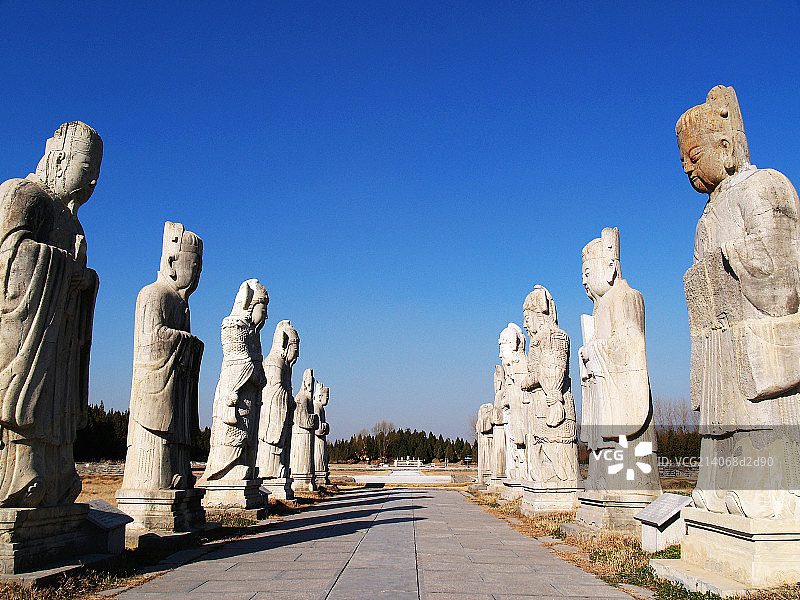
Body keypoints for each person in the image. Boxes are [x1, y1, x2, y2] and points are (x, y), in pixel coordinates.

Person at [678, 86, 800, 518]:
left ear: (725, 147)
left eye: (694, 156)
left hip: (754, 337)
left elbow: (782, 273)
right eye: (683, 161)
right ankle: (717, 486)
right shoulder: (706, 218)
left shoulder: (765, 186)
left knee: (756, 416)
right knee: (719, 418)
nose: (688, 168)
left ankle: (768, 491)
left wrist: (728, 259)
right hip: (718, 341)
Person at [0, 122, 102, 507]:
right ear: (59, 159)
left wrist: (85, 281)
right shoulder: (22, 195)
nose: (92, 180)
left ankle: (58, 473)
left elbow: (78, 277)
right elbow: (9, 259)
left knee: (56, 408)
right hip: (29, 334)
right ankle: (19, 472)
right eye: (86, 167)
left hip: (59, 334)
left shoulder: (73, 222)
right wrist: (62, 267)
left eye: (97, 172)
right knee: (29, 405)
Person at [121, 222, 204, 491]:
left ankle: (179, 473)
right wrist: (186, 341)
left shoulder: (182, 305)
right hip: (157, 388)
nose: (197, 274)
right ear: (172, 262)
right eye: (194, 266)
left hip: (177, 386)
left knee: (177, 439)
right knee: (157, 452)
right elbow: (151, 341)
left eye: (200, 269)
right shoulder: (153, 294)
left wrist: (190, 345)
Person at [202, 279, 268, 481]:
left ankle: (242, 465)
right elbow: (239, 361)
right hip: (234, 389)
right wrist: (257, 376)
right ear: (250, 305)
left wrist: (258, 376)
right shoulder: (234, 325)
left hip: (249, 393)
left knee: (246, 431)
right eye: (263, 310)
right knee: (233, 431)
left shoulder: (254, 334)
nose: (266, 316)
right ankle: (225, 468)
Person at [256, 320, 299, 480]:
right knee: (272, 446)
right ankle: (270, 470)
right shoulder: (274, 361)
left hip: (283, 413)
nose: (297, 354)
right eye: (295, 348)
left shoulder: (286, 366)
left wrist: (290, 400)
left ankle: (278, 469)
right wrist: (288, 399)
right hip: (273, 415)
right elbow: (273, 390)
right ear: (285, 344)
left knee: (283, 445)